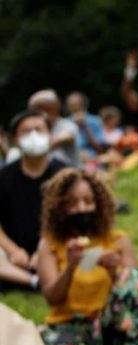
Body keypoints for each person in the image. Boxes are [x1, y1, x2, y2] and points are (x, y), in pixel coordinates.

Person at [37, 168, 138, 345]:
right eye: (73, 203)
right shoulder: (50, 245)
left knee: (133, 278)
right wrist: (70, 267)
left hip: (110, 325)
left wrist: (114, 271)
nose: (81, 209)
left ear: (99, 204)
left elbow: (136, 293)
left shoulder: (117, 241)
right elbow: (52, 298)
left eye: (88, 201)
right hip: (70, 327)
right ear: (60, 207)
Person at [0, 110, 66, 291]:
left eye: (39, 129)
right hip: (14, 253)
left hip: (55, 245)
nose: (33, 135)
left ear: (50, 135)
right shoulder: (4, 177)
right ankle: (33, 281)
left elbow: (72, 221)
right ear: (14, 139)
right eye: (26, 131)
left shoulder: (66, 175)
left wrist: (45, 250)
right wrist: (13, 250)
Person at [28, 90, 81, 167]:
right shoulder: (33, 128)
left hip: (68, 171)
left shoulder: (68, 126)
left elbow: (65, 138)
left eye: (37, 110)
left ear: (54, 109)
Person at [66, 91, 105, 158]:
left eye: (75, 105)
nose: (73, 107)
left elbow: (100, 148)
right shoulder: (66, 122)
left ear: (83, 104)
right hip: (71, 157)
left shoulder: (95, 121)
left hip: (91, 157)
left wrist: (84, 127)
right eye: (70, 105)